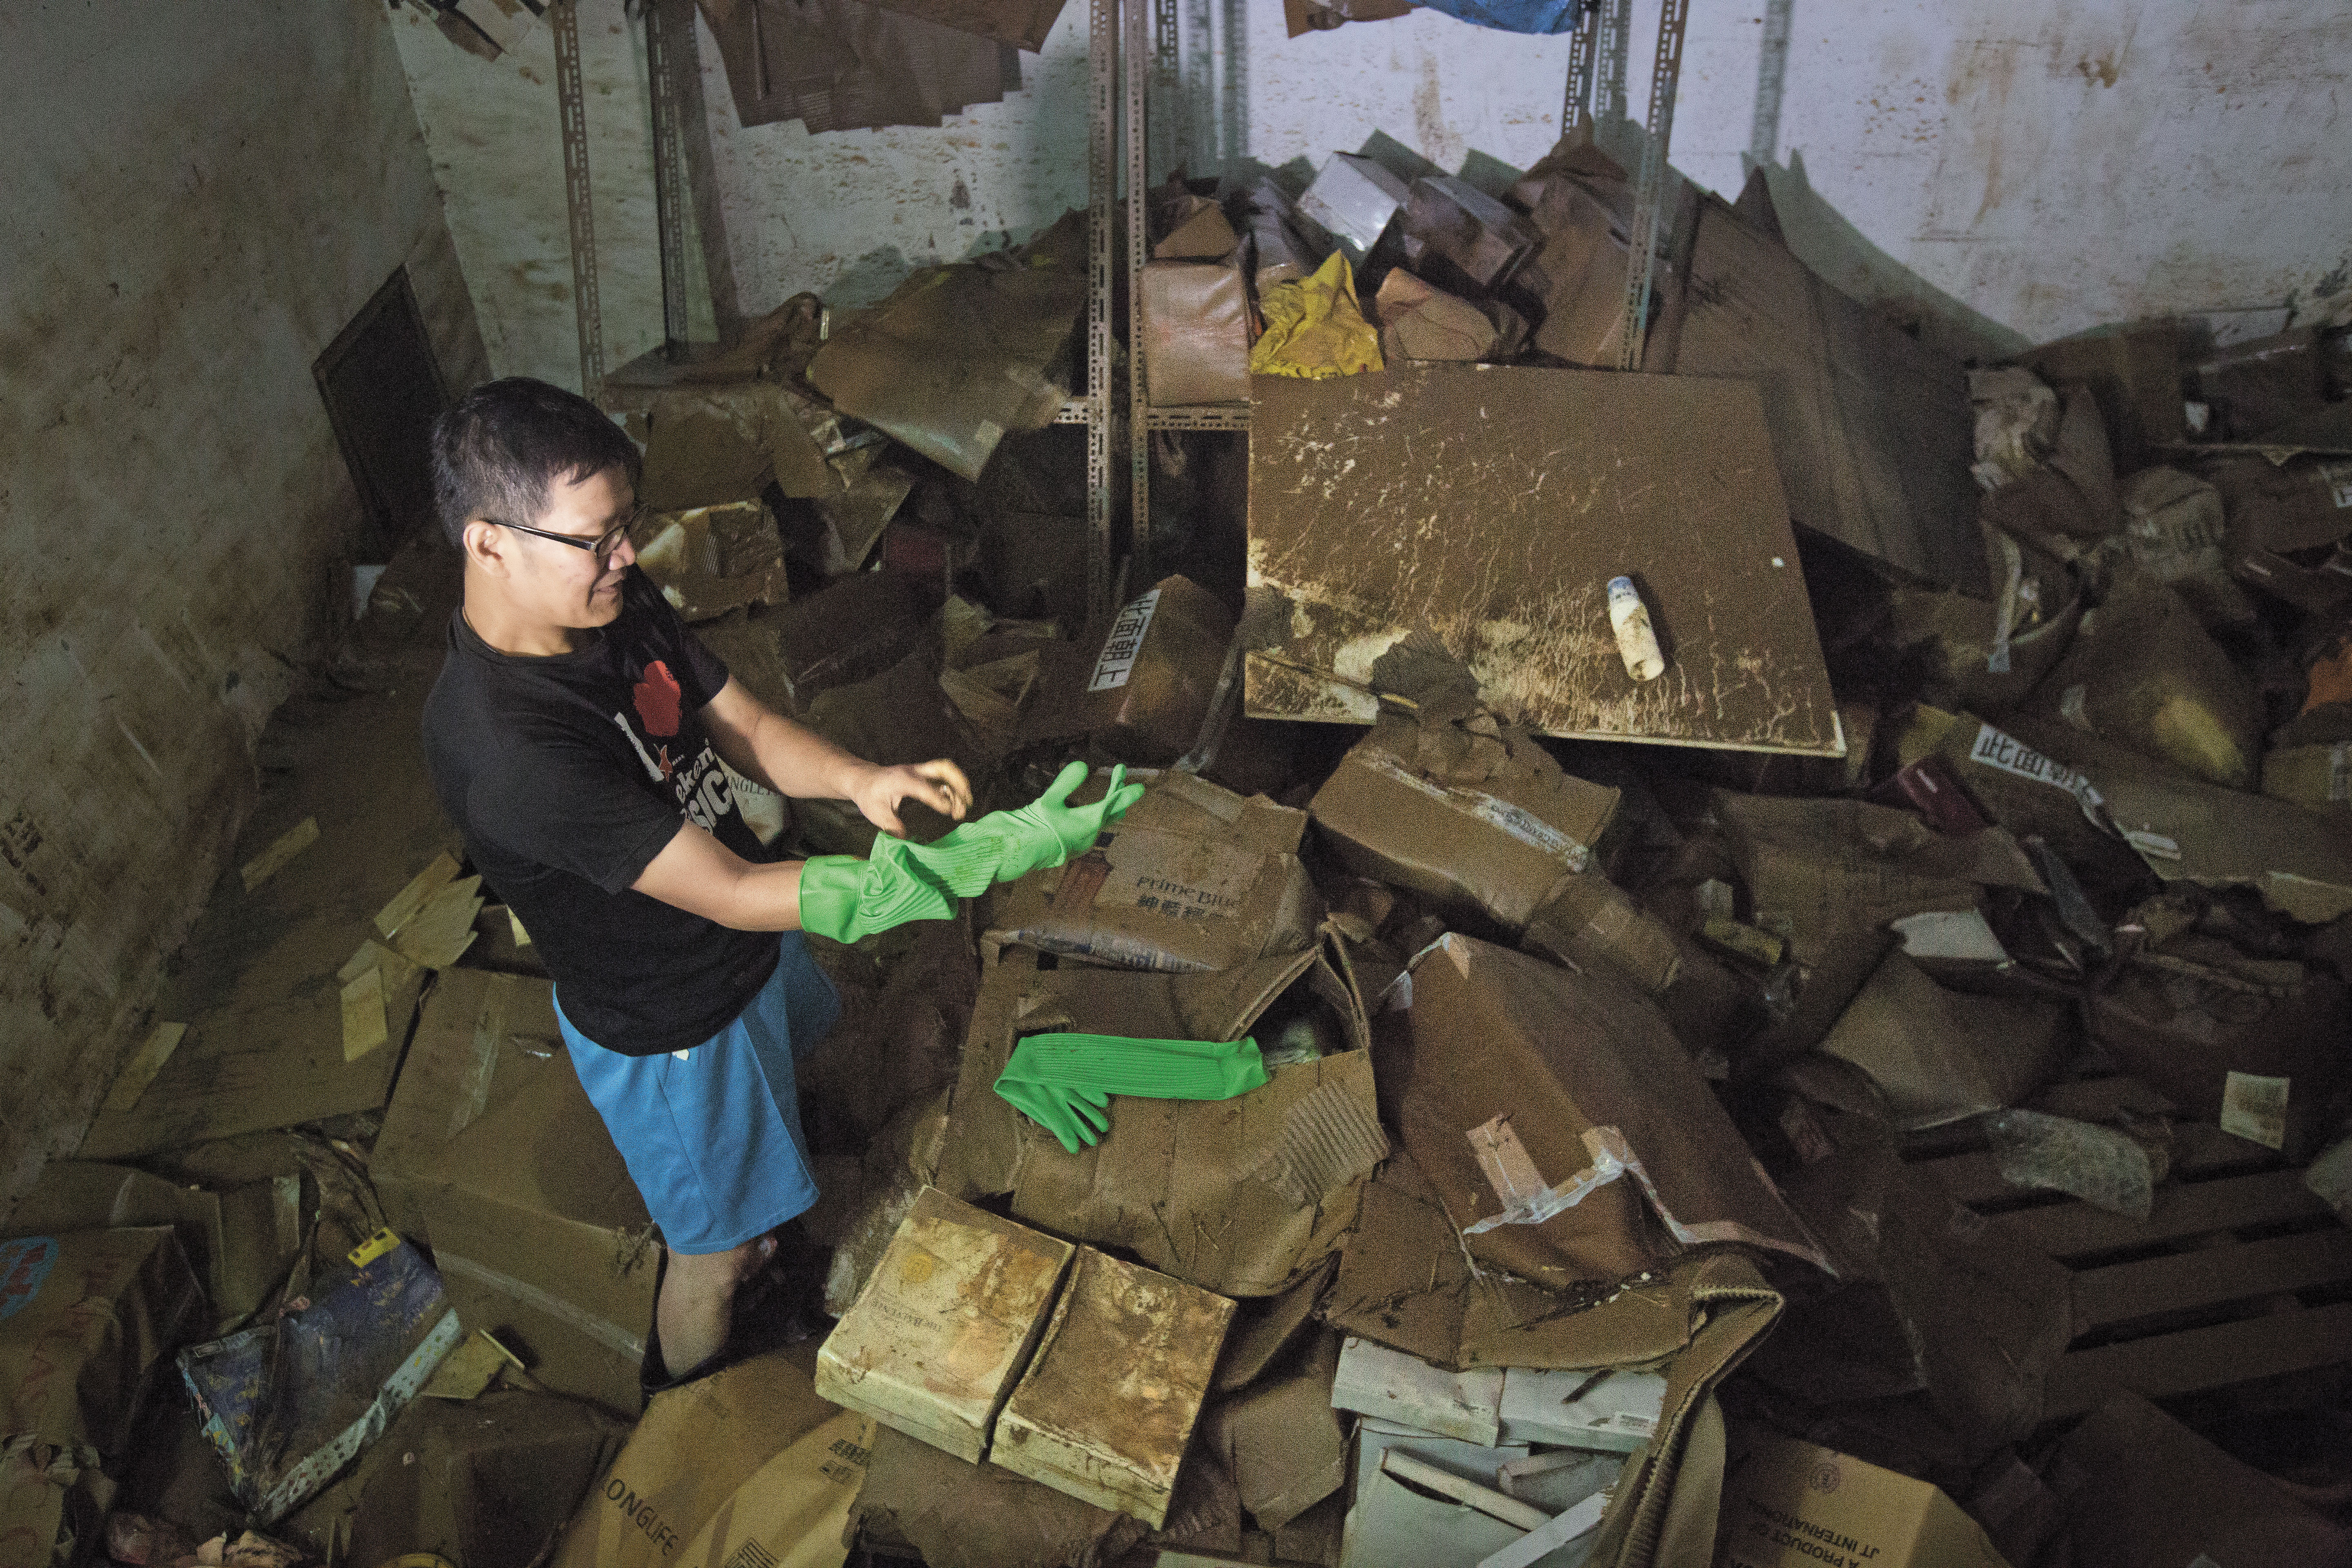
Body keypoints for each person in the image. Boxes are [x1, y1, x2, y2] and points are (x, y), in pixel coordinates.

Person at [419, 378, 1138, 1390]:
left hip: (749, 956)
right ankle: (698, 1402)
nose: (625, 556)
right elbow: (721, 888)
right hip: (673, 1024)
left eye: (628, 525)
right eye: (596, 538)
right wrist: (950, 867)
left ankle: (773, 1205)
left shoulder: (604, 602)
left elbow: (740, 722)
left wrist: (860, 779)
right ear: (489, 542)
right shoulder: (512, 750)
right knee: (713, 1251)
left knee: (787, 1100)